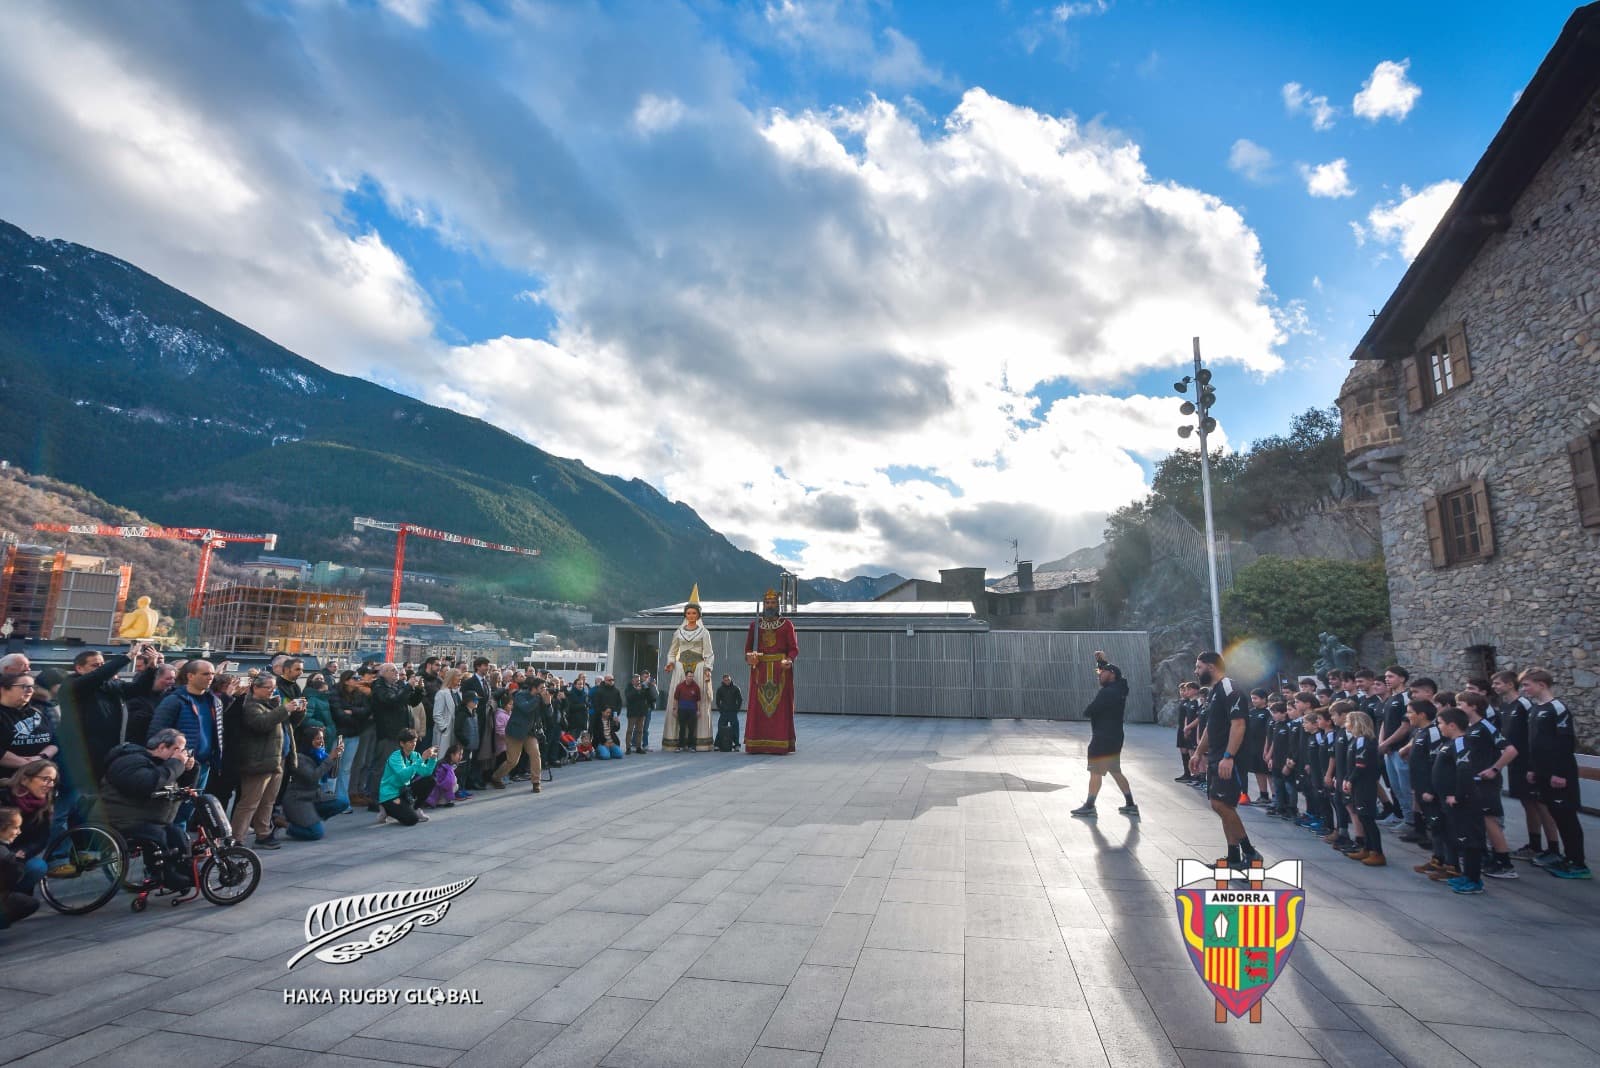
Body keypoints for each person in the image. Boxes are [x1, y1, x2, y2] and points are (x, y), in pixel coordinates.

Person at [100, 728, 195, 891]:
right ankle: (164, 875)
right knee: (158, 835)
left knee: (177, 834)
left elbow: (176, 786)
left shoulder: (160, 762)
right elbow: (147, 784)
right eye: (178, 750)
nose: (182, 754)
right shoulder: (129, 760)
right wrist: (176, 764)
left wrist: (188, 769)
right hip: (122, 817)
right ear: (162, 747)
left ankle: (186, 871)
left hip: (147, 816)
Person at [1190, 651, 1260, 869]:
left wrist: (1229, 756)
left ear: (1211, 666)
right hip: (1217, 755)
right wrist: (1198, 752)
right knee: (1221, 805)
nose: (1196, 671)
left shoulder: (1230, 688)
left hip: (1230, 758)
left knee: (1221, 804)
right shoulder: (1213, 692)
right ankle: (1234, 856)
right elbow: (1211, 729)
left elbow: (1239, 724)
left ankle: (1250, 853)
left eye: (1199, 666)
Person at [1522, 669, 1589, 879]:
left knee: (1567, 816)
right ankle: (1566, 857)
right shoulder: (1534, 709)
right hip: (1542, 773)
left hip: (1559, 774)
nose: (1524, 689)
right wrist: (1533, 768)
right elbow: (1534, 743)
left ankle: (1578, 863)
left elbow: (1565, 742)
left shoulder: (1557, 708)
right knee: (1556, 815)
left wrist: (1559, 773)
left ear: (1542, 684)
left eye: (1527, 685)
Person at [231, 674, 295, 850]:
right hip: (258, 762)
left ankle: (263, 833)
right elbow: (261, 723)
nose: (272, 690)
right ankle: (237, 838)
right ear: (255, 688)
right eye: (268, 687)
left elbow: (286, 725)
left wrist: (294, 710)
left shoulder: (270, 704)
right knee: (249, 802)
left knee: (268, 801)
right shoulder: (250, 705)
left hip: (276, 759)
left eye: (273, 687)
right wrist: (284, 709)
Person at [1072, 653, 1136, 818]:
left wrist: (1089, 709)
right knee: (1115, 770)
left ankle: (1089, 806)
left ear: (1112, 675)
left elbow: (1089, 711)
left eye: (1103, 673)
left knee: (1095, 771)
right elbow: (1111, 673)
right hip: (1115, 737)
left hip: (1102, 737)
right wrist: (1102, 662)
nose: (1099, 675)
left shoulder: (1107, 693)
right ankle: (1130, 805)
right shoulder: (1120, 687)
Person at [744, 587, 799, 755]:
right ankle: (756, 743)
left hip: (780, 671)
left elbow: (794, 649)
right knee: (757, 708)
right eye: (767, 602)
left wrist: (788, 660)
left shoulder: (787, 625)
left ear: (778, 605)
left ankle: (780, 742)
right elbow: (747, 649)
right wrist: (750, 657)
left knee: (781, 709)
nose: (769, 605)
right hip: (759, 670)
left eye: (773, 602)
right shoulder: (755, 625)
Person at [0, 759, 57, 892]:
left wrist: (23, 852)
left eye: (53, 781)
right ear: (25, 779)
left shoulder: (44, 806)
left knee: (37, 867)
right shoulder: (4, 795)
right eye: (46, 779)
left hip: (15, 856)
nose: (50, 785)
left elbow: (41, 839)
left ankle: (10, 899)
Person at [282, 726, 346, 841]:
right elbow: (312, 777)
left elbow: (332, 775)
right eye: (317, 739)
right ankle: (283, 823)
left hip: (314, 796)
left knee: (342, 802)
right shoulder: (300, 758)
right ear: (308, 740)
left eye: (322, 739)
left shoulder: (320, 754)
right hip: (298, 799)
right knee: (315, 833)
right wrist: (330, 758)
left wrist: (336, 758)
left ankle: (312, 818)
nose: (321, 742)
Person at [376, 728, 438, 826]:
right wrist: (422, 759)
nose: (414, 744)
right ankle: (386, 808)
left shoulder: (415, 755)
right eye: (410, 742)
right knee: (412, 820)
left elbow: (426, 772)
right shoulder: (395, 757)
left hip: (404, 791)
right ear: (402, 743)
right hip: (390, 795)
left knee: (430, 780)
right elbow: (403, 776)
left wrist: (432, 759)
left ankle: (415, 808)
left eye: (415, 741)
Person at [491, 680, 544, 793]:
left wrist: (548, 703)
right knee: (513, 761)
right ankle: (496, 777)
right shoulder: (520, 695)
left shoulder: (540, 698)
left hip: (530, 733)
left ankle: (536, 782)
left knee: (535, 754)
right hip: (516, 732)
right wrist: (538, 698)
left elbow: (548, 714)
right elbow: (526, 708)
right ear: (534, 688)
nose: (544, 690)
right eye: (542, 688)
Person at [331, 670, 372, 813]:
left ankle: (343, 801)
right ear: (346, 680)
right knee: (333, 768)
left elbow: (366, 711)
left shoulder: (359, 694)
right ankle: (331, 800)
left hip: (354, 734)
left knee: (346, 769)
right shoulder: (335, 692)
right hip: (339, 735)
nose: (358, 680)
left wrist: (352, 712)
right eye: (355, 678)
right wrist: (356, 715)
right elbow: (338, 714)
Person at [0, 807, 41, 930]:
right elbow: (12, 879)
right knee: (29, 903)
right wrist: (14, 861)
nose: (19, 832)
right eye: (15, 827)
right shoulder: (5, 855)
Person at [1175, 681, 1202, 782]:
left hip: (1192, 730)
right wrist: (1185, 727)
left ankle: (1197, 775)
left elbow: (1199, 717)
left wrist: (1188, 728)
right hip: (1183, 728)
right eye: (1181, 690)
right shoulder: (1184, 701)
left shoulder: (1196, 701)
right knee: (1184, 750)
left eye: (1185, 690)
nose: (1183, 692)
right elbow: (1186, 716)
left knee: (1192, 751)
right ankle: (1187, 773)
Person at [625, 674, 651, 754]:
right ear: (632, 680)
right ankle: (628, 748)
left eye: (639, 680)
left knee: (640, 731)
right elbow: (629, 698)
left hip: (641, 712)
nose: (638, 682)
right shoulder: (628, 688)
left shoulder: (643, 687)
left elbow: (649, 697)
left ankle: (638, 747)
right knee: (630, 730)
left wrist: (649, 687)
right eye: (636, 680)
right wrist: (636, 690)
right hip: (632, 713)